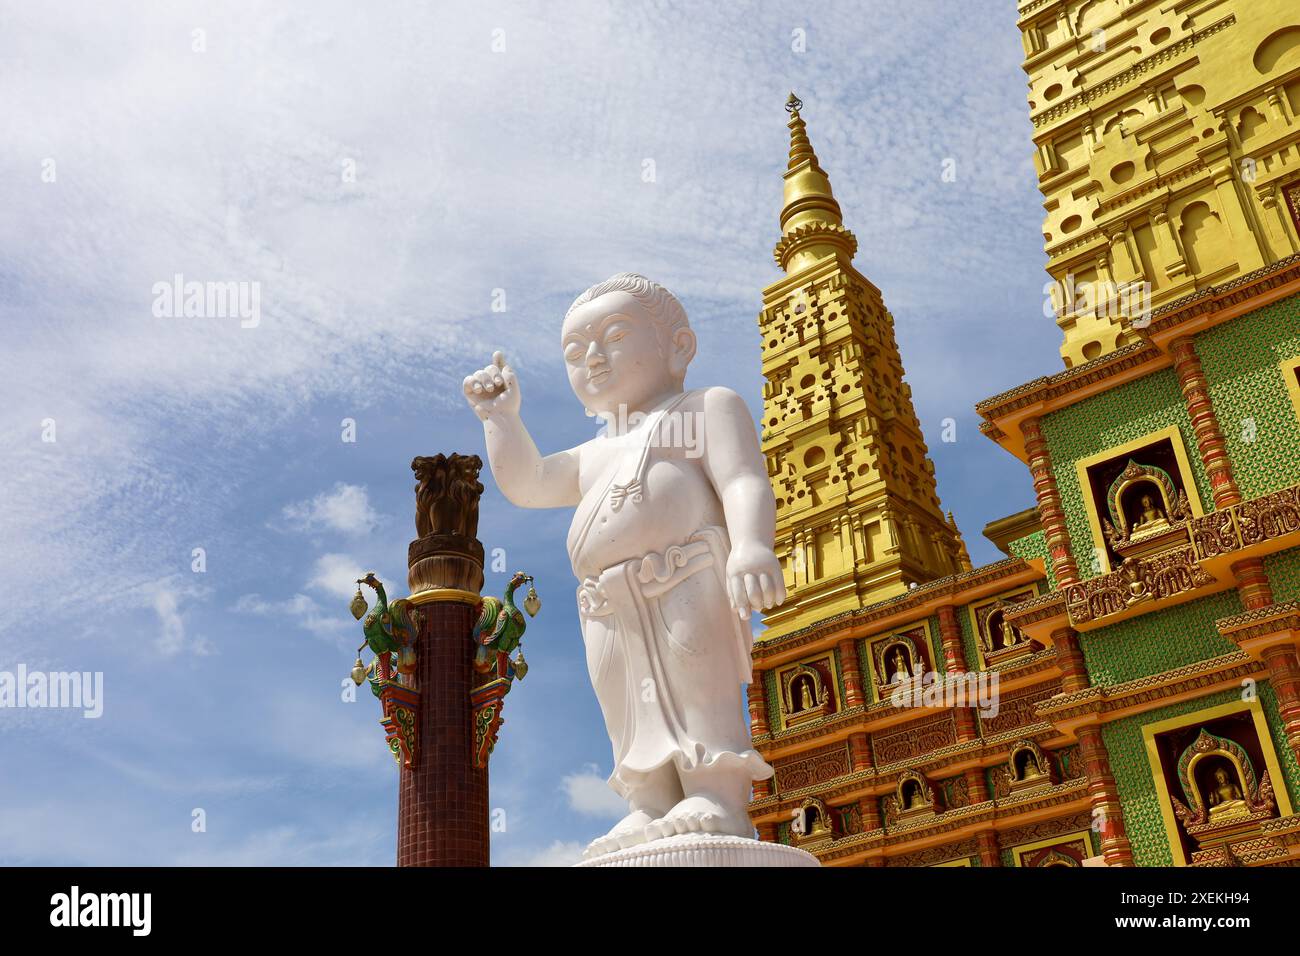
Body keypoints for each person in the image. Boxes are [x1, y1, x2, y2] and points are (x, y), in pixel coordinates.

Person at [463, 273, 784, 858]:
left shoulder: (703, 408)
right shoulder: (592, 452)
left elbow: (742, 479)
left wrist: (752, 545)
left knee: (697, 682)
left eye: (613, 335)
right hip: (607, 604)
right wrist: (502, 421)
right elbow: (530, 483)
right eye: (574, 351)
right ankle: (649, 800)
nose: (592, 356)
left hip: (685, 576)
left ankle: (714, 791)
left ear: (678, 347)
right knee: (625, 705)